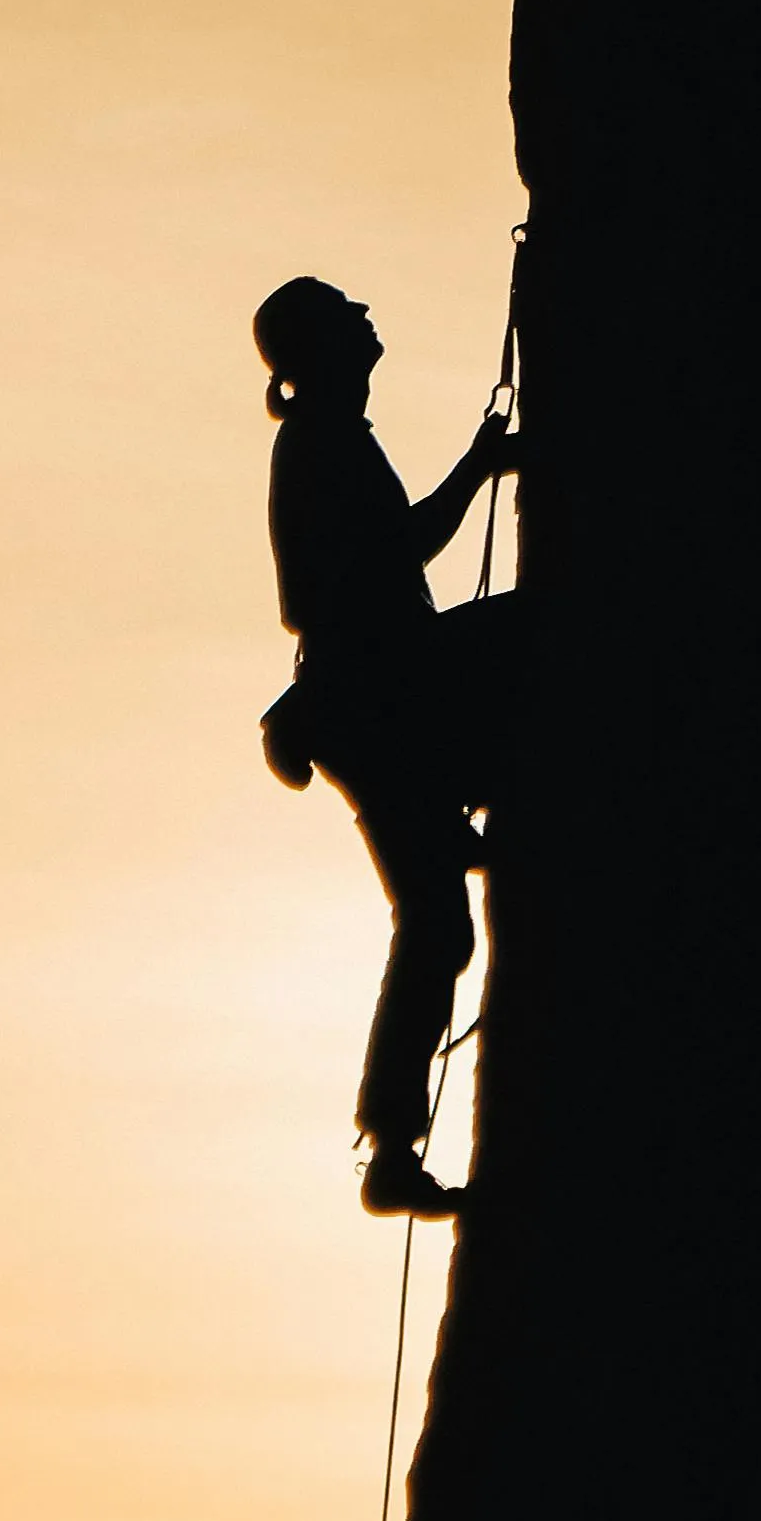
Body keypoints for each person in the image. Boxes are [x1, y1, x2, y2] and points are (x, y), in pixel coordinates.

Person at [251, 274, 521, 1218]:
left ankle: (392, 1145)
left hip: (374, 702)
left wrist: (483, 463)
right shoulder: (319, 445)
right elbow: (398, 551)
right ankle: (391, 1144)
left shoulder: (328, 439)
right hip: (378, 701)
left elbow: (391, 556)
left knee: (438, 924)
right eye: (348, 315)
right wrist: (479, 467)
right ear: (324, 349)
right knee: (541, 637)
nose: (369, 319)